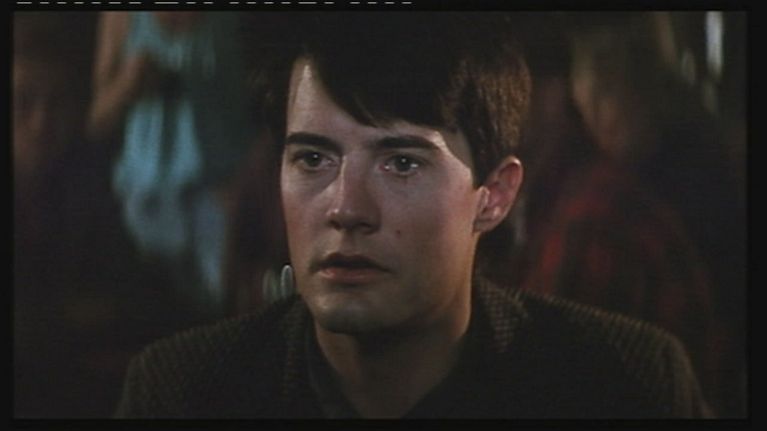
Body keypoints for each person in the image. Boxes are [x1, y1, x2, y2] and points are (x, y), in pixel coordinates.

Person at [114, 13, 711, 418]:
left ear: (494, 195)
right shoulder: (183, 394)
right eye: (314, 159)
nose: (346, 208)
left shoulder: (620, 385)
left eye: (401, 164)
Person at [87, 12, 253, 319]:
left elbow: (267, 100)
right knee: (152, 316)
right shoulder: (121, 16)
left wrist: (248, 183)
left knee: (224, 317)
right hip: (144, 200)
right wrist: (126, 85)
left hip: (224, 194)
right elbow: (96, 120)